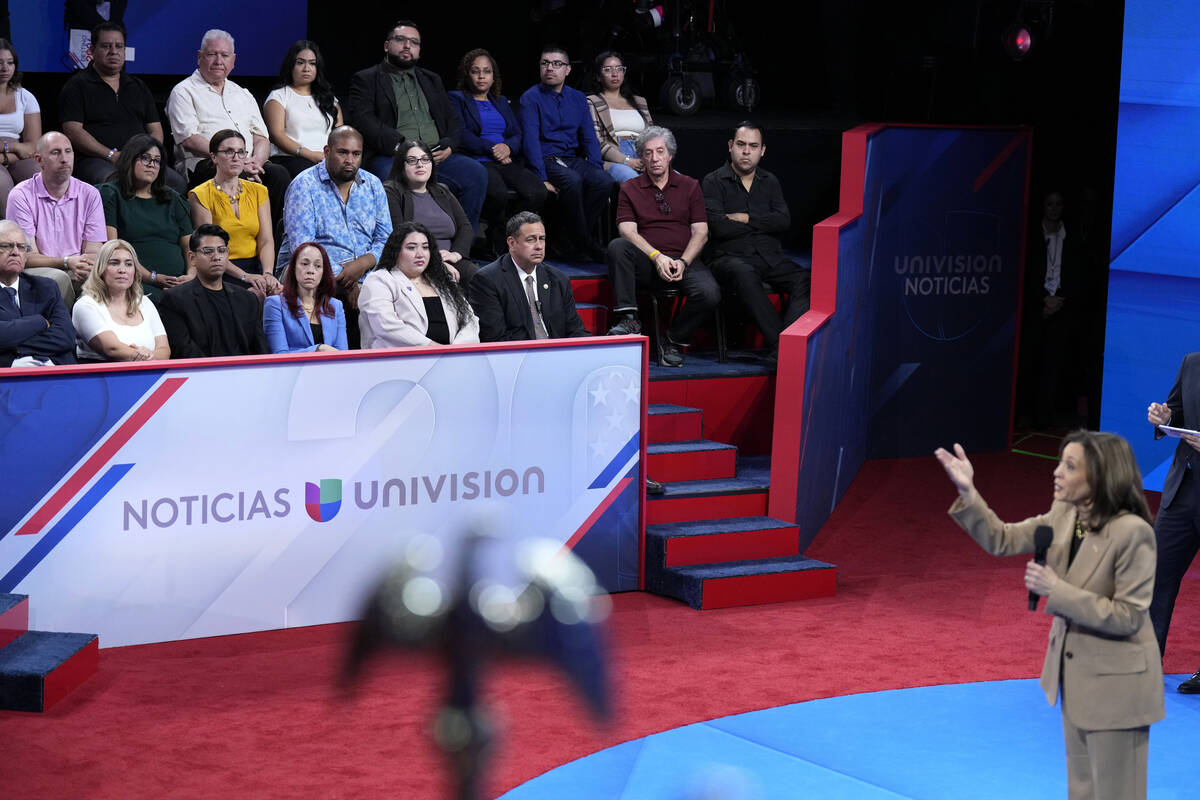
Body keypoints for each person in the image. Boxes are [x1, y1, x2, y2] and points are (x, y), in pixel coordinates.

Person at [935, 432, 1163, 800]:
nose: (1056, 473)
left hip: (1119, 689)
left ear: (1101, 476)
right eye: (1060, 462)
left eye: (1069, 466)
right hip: (1075, 679)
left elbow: (1128, 617)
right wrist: (968, 492)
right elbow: (1003, 539)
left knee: (1118, 793)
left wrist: (1055, 590)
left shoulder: (1134, 534)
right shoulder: (1065, 514)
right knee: (1083, 791)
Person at [347, 20, 487, 230]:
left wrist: (449, 145)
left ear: (419, 50)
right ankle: (402, 246)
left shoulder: (432, 79)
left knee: (475, 173)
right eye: (401, 40)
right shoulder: (367, 78)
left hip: (435, 155)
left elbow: (453, 120)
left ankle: (461, 246)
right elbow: (363, 119)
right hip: (392, 157)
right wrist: (400, 146)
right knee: (388, 180)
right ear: (387, 45)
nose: (407, 46)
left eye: (414, 42)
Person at [605, 126, 718, 367]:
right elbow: (626, 229)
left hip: (683, 260)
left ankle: (673, 339)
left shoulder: (690, 186)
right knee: (618, 246)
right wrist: (657, 257)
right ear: (642, 158)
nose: (654, 158)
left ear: (670, 155)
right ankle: (628, 319)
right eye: (648, 153)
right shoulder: (629, 188)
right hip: (648, 261)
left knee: (709, 294)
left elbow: (701, 231)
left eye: (660, 151)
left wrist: (683, 261)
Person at [702, 122, 811, 360]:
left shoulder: (770, 181)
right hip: (729, 258)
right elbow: (718, 226)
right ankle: (783, 347)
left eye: (753, 146)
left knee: (805, 278)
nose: (746, 151)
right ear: (731, 146)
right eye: (741, 145)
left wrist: (745, 218)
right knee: (744, 273)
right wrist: (763, 224)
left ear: (762, 151)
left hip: (768, 257)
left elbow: (783, 221)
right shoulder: (713, 181)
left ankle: (786, 341)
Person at [276, 126, 390, 343]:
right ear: (327, 151)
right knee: (331, 289)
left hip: (365, 270)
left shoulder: (373, 185)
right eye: (343, 152)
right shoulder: (305, 185)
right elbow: (303, 248)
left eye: (356, 154)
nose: (350, 160)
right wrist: (346, 280)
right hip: (310, 268)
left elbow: (386, 238)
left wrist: (363, 264)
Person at [166, 29, 288, 225]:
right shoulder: (183, 92)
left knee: (278, 175)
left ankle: (268, 242)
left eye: (224, 55)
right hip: (206, 162)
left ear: (233, 60)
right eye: (212, 54)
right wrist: (235, 159)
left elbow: (261, 138)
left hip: (247, 162)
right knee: (233, 173)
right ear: (199, 57)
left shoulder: (243, 94)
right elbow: (189, 139)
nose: (218, 61)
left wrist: (255, 160)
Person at [58, 21, 184, 191]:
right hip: (96, 159)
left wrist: (148, 156)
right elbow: (73, 131)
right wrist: (111, 155)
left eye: (119, 46)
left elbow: (155, 129)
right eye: (106, 46)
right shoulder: (77, 86)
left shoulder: (138, 86)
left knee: (176, 183)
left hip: (140, 159)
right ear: (91, 50)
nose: (113, 52)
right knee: (110, 182)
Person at [518, 45, 614, 261]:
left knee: (603, 181)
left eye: (556, 64)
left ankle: (568, 239)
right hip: (546, 159)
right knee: (572, 181)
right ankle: (584, 242)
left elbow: (589, 136)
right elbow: (531, 141)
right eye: (545, 63)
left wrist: (596, 168)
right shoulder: (530, 98)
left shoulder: (578, 98)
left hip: (571, 158)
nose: (550, 68)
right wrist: (541, 177)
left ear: (568, 70)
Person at [448, 48, 546, 248]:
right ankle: (495, 240)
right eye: (476, 71)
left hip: (505, 160)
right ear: (467, 75)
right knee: (498, 194)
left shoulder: (500, 101)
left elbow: (517, 133)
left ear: (494, 76)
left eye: (487, 71)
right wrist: (494, 149)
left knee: (537, 192)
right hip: (477, 161)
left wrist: (508, 147)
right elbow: (462, 133)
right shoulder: (456, 98)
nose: (482, 76)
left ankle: (500, 232)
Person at [1146, 354, 1200, 693]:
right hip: (1182, 493)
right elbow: (1178, 410)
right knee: (1154, 578)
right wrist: (1164, 418)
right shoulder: (1192, 363)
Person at [5, 131, 105, 306]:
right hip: (37, 270)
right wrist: (66, 262)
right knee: (58, 279)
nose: (65, 159)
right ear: (38, 160)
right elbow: (26, 257)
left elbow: (93, 251)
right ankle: (63, 331)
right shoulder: (21, 195)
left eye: (69, 151)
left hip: (77, 267)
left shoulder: (90, 194)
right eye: (56, 152)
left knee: (114, 276)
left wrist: (82, 265)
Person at [98, 133, 192, 300]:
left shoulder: (173, 198)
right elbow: (113, 249)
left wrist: (191, 275)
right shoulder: (111, 194)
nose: (152, 165)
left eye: (157, 160)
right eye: (145, 158)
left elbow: (189, 247)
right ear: (130, 159)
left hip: (180, 282)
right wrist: (152, 277)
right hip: (135, 281)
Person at [188, 129, 279, 299]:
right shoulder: (200, 194)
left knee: (279, 294)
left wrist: (267, 274)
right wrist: (245, 277)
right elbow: (210, 248)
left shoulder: (259, 191)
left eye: (241, 152)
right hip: (220, 268)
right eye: (229, 152)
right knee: (253, 296)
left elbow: (266, 240)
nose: (236, 157)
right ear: (214, 157)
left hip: (256, 265)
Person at [469, 211, 588, 341]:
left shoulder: (558, 279)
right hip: (516, 356)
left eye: (541, 239)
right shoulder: (487, 280)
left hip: (557, 355)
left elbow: (575, 329)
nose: (539, 246)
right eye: (530, 240)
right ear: (512, 243)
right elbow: (495, 337)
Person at [358, 221, 479, 348]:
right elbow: (385, 326)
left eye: (425, 247)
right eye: (411, 247)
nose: (420, 254)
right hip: (400, 362)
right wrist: (433, 348)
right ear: (396, 251)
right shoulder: (379, 280)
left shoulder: (442, 279)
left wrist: (455, 350)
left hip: (450, 359)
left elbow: (470, 320)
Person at [156, 224, 267, 358]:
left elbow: (261, 350)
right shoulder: (174, 299)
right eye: (208, 251)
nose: (216, 257)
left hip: (245, 374)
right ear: (192, 258)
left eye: (221, 250)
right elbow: (183, 350)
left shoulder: (247, 299)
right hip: (199, 374)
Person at [383, 141, 478, 287]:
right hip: (415, 261)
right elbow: (400, 235)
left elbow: (465, 227)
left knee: (480, 279)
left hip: (450, 258)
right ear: (401, 165)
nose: (420, 164)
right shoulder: (392, 191)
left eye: (425, 159)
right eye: (412, 160)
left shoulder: (442, 190)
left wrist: (455, 255)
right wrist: (436, 262)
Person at [71, 238, 169, 362]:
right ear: (101, 269)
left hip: (150, 376)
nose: (122, 270)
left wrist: (148, 356)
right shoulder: (85, 305)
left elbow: (164, 350)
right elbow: (112, 349)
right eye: (114, 263)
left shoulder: (144, 302)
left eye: (128, 264)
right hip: (103, 377)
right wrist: (145, 355)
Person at [0, 219, 75, 367]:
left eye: (22, 247)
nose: (15, 252)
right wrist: (40, 322)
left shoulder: (46, 287)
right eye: (7, 246)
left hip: (54, 373)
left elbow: (65, 337)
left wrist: (12, 347)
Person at [263, 39, 342, 180]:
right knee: (311, 174)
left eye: (312, 63)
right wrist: (310, 154)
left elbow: (340, 135)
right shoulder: (279, 96)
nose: (307, 68)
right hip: (291, 158)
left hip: (328, 159)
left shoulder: (329, 99)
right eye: (300, 63)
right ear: (291, 65)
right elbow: (277, 135)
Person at [263, 241, 346, 353]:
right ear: (293, 268)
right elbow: (279, 355)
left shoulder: (336, 306)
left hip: (329, 370)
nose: (311, 271)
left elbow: (342, 354)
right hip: (291, 370)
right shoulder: (275, 304)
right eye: (305, 264)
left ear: (323, 272)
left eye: (318, 266)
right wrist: (317, 349)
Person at [586, 50, 652, 183]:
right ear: (599, 76)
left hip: (644, 154)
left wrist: (650, 158)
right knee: (635, 182)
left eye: (619, 69)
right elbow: (596, 141)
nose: (615, 74)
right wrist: (627, 160)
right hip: (615, 157)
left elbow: (653, 135)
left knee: (677, 182)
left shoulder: (640, 102)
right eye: (607, 69)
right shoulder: (592, 102)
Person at [0, 38, 40, 216]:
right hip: (15, 154)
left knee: (38, 175)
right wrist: (15, 150)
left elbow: (32, 146)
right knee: (2, 184)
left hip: (17, 156)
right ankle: (8, 239)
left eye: (10, 63)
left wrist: (10, 150)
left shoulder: (25, 96)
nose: (5, 68)